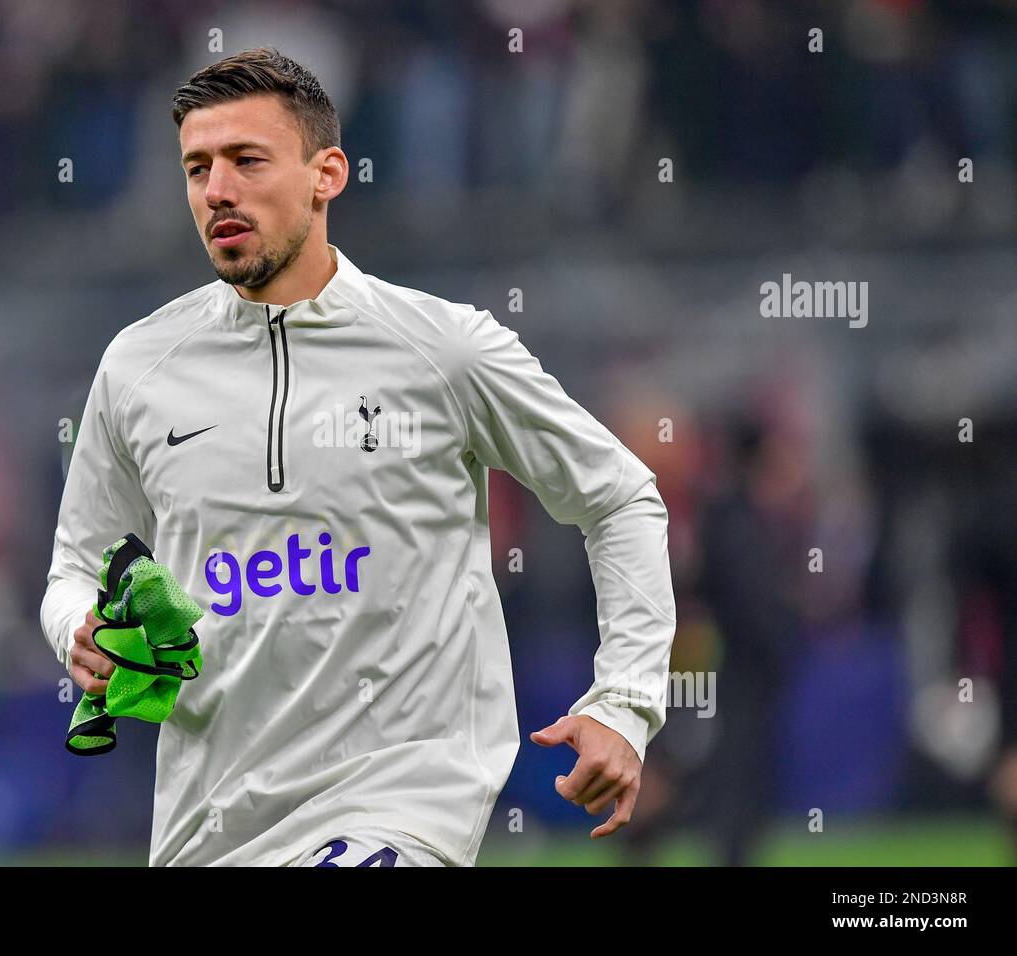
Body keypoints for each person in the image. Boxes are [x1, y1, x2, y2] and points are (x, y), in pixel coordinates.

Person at [40, 47, 676, 867]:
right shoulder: (138, 367)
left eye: (246, 160)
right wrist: (78, 634)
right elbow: (73, 570)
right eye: (197, 168)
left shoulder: (444, 349)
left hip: (402, 804)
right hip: (210, 823)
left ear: (326, 173)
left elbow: (619, 498)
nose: (217, 190)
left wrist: (624, 701)